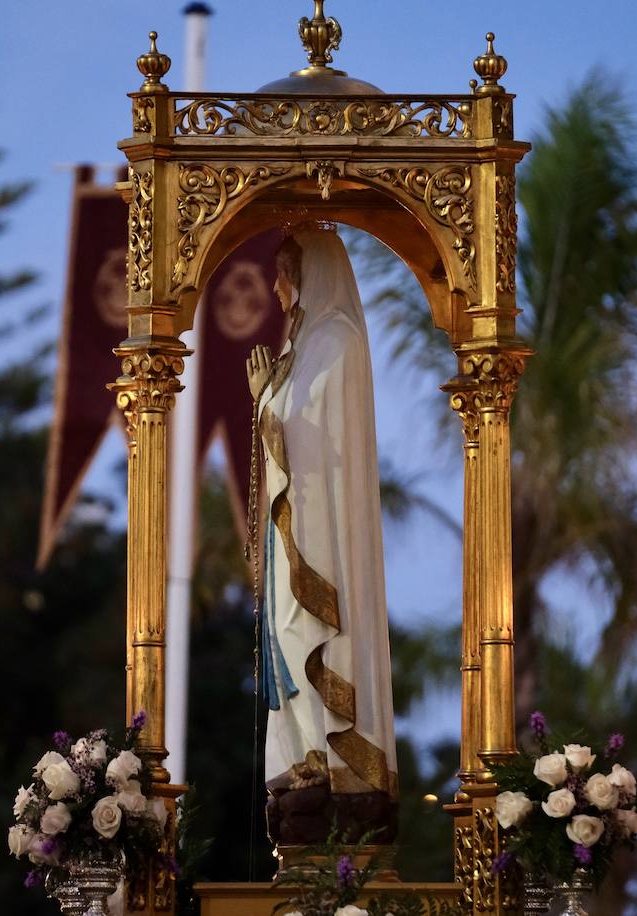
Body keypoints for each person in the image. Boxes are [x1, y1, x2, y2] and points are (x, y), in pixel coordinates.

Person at [246, 225, 397, 846]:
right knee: (284, 636)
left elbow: (309, 438)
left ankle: (332, 762)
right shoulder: (303, 346)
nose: (278, 292)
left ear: (307, 274)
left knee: (305, 632)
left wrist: (264, 404)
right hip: (294, 531)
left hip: (323, 534)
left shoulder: (338, 342)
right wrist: (268, 401)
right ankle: (304, 759)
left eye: (283, 276)